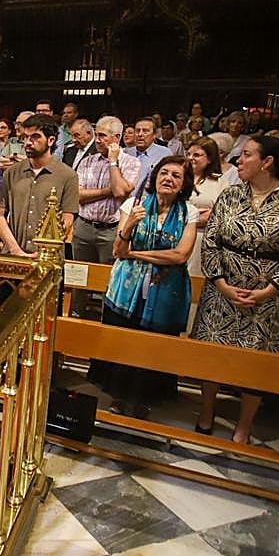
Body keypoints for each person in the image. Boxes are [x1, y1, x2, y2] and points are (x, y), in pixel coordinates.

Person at [193, 135, 279, 443]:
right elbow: (211, 241)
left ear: (267, 162)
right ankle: (206, 412)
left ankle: (244, 424)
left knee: (256, 363)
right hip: (222, 293)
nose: (238, 161)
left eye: (246, 155)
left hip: (269, 299)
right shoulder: (231, 194)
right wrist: (221, 283)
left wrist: (269, 291)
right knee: (213, 356)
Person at [93, 156, 199, 418]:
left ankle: (145, 397)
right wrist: (129, 225)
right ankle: (120, 394)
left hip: (166, 289)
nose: (169, 179)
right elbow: (119, 250)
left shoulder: (189, 212)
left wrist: (138, 255)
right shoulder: (134, 204)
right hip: (128, 286)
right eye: (164, 173)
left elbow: (180, 255)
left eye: (176, 175)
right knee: (126, 338)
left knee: (154, 343)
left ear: (184, 183)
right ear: (155, 177)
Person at [0, 113, 80, 256]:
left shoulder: (68, 175)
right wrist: (15, 250)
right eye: (25, 137)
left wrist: (44, 251)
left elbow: (67, 220)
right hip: (13, 254)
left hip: (49, 257)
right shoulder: (12, 173)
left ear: (51, 140)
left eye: (35, 137)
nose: (28, 142)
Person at [73, 116, 140, 264]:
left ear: (117, 137)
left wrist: (113, 162)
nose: (97, 140)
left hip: (111, 230)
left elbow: (119, 193)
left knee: (107, 280)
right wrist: (107, 191)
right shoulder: (87, 161)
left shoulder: (132, 163)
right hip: (83, 227)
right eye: (96, 135)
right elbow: (78, 195)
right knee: (79, 278)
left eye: (102, 136)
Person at [185, 137, 235, 276]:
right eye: (188, 154)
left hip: (204, 240)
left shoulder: (220, 181)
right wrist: (194, 217)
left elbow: (222, 214)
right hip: (177, 235)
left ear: (210, 159)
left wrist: (191, 217)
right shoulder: (179, 177)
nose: (190, 158)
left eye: (196, 155)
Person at [124, 117, 172, 191]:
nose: (140, 134)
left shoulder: (165, 154)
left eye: (145, 131)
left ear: (154, 135)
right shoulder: (126, 153)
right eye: (137, 131)